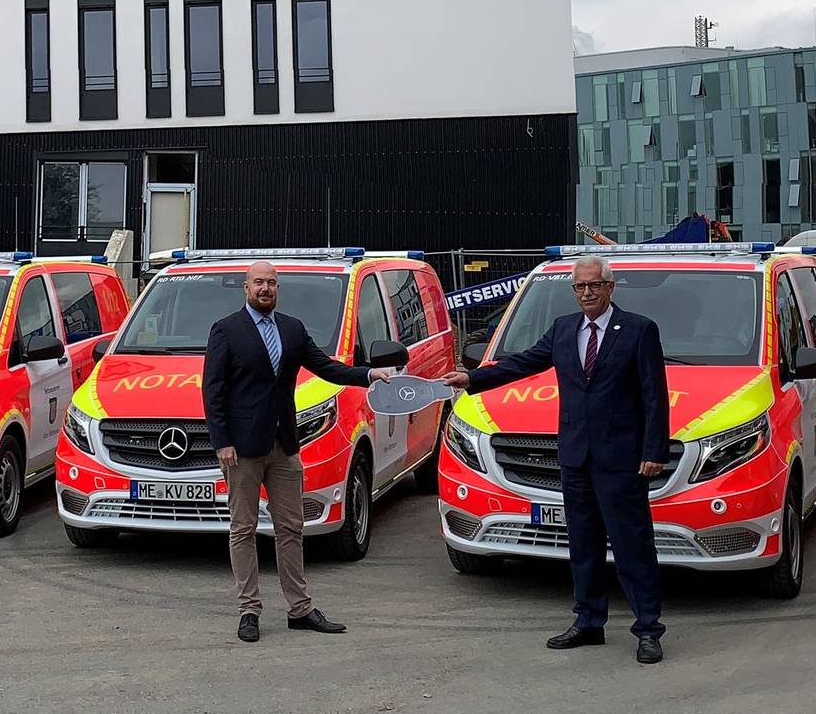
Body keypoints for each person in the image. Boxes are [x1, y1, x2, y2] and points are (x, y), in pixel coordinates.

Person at [440, 253, 671, 664]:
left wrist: (654, 451)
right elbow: (524, 362)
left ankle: (648, 629)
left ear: (609, 287)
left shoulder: (638, 331)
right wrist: (473, 378)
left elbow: (655, 397)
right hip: (575, 457)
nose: (586, 293)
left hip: (621, 459)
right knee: (582, 545)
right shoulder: (564, 329)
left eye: (594, 286)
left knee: (632, 546)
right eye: (580, 287)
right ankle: (588, 621)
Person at [203, 259, 397, 643]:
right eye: (259, 283)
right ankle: (249, 611)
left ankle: (300, 608)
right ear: (246, 288)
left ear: (278, 288)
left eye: (271, 283)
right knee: (243, 529)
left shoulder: (292, 329)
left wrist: (368, 374)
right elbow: (213, 392)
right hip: (241, 450)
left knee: (291, 528)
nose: (265, 289)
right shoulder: (226, 330)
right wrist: (221, 441)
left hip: (285, 447)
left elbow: (326, 367)